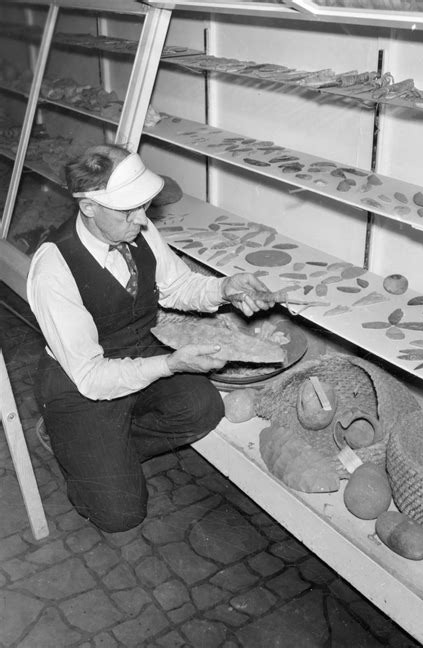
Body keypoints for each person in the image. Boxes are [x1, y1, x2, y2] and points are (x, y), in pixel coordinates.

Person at [27, 143, 274, 533]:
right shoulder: (53, 268)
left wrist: (226, 287)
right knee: (121, 515)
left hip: (138, 351)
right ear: (89, 207)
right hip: (81, 382)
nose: (143, 220)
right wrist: (172, 364)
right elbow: (91, 376)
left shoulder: (135, 227)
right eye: (130, 209)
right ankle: (78, 445)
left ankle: (107, 453)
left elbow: (176, 286)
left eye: (144, 206)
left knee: (202, 408)